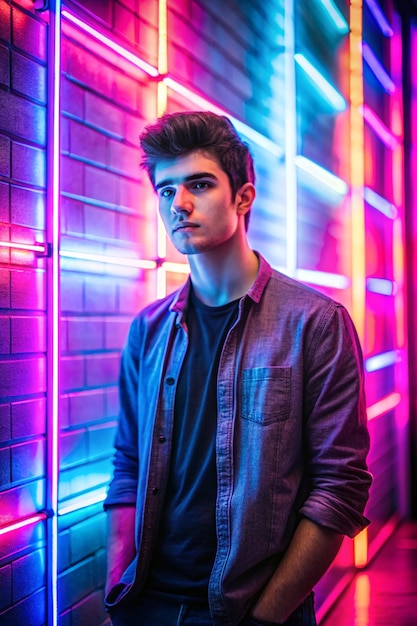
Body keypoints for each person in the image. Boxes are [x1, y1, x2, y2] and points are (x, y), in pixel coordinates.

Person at [103, 110, 372, 626]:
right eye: (166, 190)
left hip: (250, 609)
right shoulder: (148, 330)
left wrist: (266, 618)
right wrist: (117, 590)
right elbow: (127, 469)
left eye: (199, 184)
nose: (179, 203)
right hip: (147, 605)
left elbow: (339, 487)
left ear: (243, 197)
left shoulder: (315, 324)